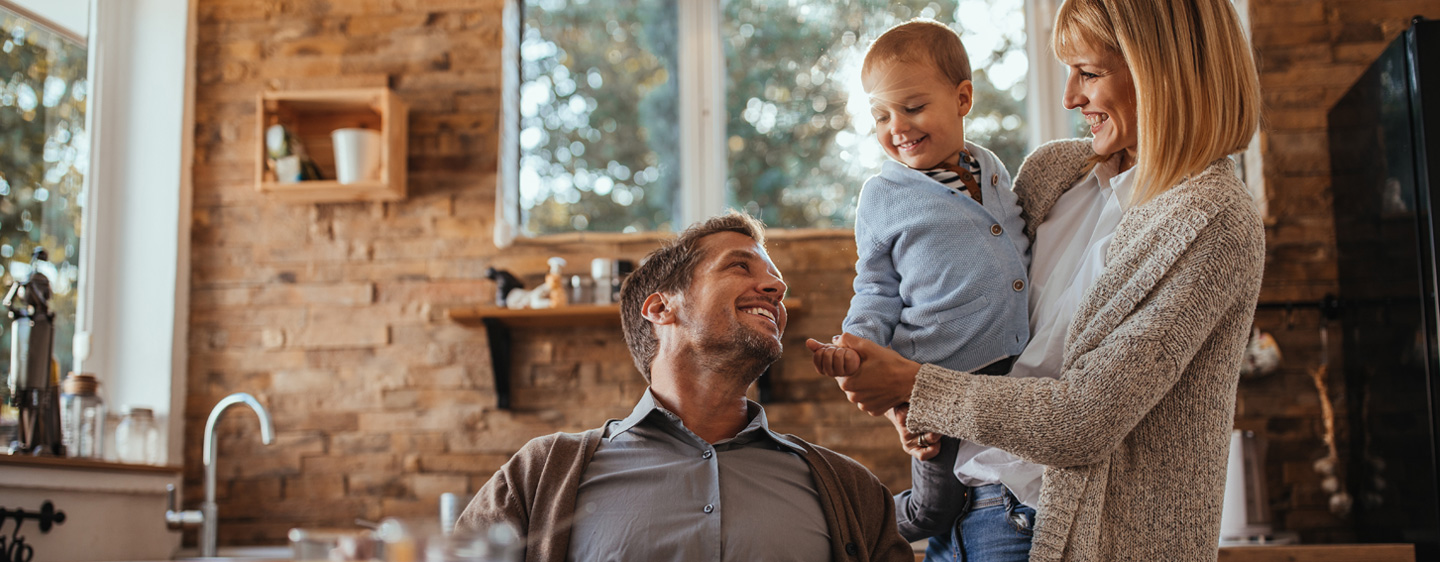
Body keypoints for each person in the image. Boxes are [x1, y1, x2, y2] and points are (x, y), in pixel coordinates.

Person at [811, 0, 1265, 560]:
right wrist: (898, 392)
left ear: (1162, 71)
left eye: (1089, 73)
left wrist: (914, 386)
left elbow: (1086, 419)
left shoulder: (1213, 222)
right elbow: (957, 304)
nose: (1070, 97)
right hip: (958, 514)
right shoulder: (1053, 173)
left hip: (1059, 529)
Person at [457, 212, 915, 562]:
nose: (774, 287)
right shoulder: (539, 477)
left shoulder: (852, 490)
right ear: (660, 308)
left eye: (777, 279)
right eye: (740, 266)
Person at [808, 18, 1035, 560]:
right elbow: (876, 286)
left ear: (962, 99)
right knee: (937, 506)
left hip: (1009, 369)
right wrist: (857, 347)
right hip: (930, 376)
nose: (897, 127)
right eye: (881, 115)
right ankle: (854, 537)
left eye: (912, 108)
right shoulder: (885, 193)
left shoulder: (993, 168)